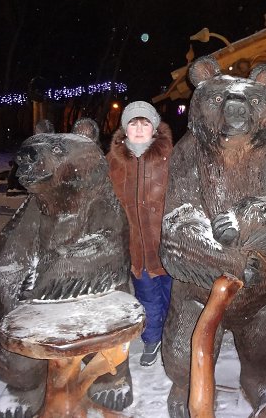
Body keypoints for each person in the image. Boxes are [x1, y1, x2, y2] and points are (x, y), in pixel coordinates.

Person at [106, 101, 173, 366]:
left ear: (154, 128)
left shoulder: (171, 157)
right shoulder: (113, 162)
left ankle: (171, 336)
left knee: (172, 296)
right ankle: (152, 339)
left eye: (145, 123)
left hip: (168, 244)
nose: (139, 128)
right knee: (147, 296)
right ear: (125, 129)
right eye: (133, 123)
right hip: (136, 246)